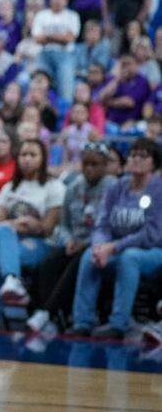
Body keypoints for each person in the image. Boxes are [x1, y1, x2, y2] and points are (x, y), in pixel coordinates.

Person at [70, 137, 162, 340]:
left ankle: (118, 323)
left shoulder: (158, 190)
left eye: (143, 156)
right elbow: (102, 224)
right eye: (133, 155)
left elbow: (152, 234)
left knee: (130, 257)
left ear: (154, 163)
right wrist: (99, 246)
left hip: (152, 251)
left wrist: (114, 247)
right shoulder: (117, 187)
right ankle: (82, 321)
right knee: (88, 256)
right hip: (116, 248)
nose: (136, 159)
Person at [25, 143, 116, 334]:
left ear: (106, 165)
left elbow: (112, 226)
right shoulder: (74, 186)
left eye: (95, 164)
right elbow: (63, 224)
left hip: (100, 244)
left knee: (79, 260)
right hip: (74, 242)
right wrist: (68, 240)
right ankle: (55, 316)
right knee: (49, 262)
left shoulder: (113, 188)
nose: (89, 168)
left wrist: (86, 243)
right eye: (86, 164)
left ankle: (47, 312)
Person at [0, 139, 65, 335]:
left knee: (0, 256)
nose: (27, 159)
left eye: (33, 155)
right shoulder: (10, 188)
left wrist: (18, 226)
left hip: (41, 245)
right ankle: (12, 281)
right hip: (10, 241)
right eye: (23, 155)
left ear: (43, 159)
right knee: (1, 238)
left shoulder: (53, 187)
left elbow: (47, 228)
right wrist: (21, 224)